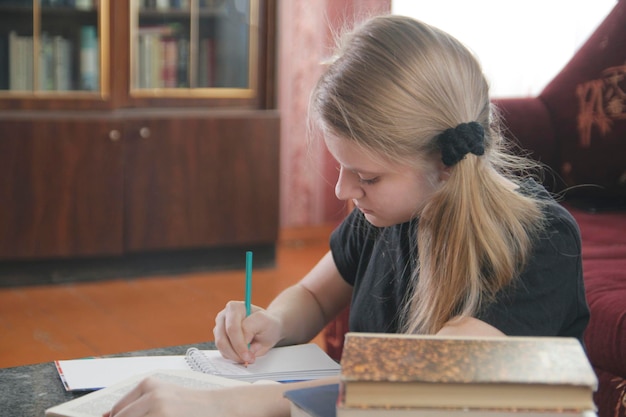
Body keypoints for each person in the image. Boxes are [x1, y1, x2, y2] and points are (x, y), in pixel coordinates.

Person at [106, 14, 589, 417]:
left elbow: (412, 384)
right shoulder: (386, 214)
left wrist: (223, 406)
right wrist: (272, 321)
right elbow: (316, 295)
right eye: (341, 167)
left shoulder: (539, 242)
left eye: (368, 177)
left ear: (445, 165)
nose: (343, 190)